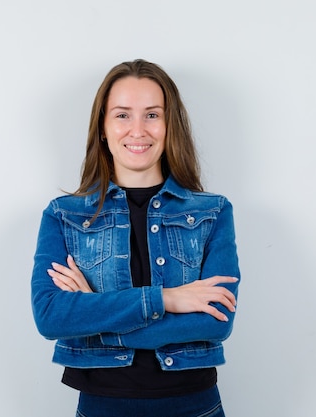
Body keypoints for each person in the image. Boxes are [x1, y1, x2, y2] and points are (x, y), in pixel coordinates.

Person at [31, 59, 240, 417]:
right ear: (103, 127)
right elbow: (51, 317)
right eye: (123, 115)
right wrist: (168, 299)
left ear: (169, 125)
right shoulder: (65, 215)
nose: (138, 129)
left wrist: (96, 316)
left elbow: (214, 320)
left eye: (152, 115)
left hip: (195, 407)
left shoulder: (213, 212)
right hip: (102, 407)